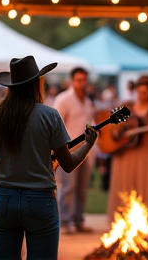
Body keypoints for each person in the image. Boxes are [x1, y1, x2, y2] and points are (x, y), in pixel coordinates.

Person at [0, 55, 98, 260]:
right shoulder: (49, 115)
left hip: (5, 200)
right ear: (36, 83)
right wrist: (88, 144)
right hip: (41, 200)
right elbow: (67, 164)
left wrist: (5, 169)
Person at [107, 75, 148, 230]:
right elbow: (113, 128)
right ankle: (123, 223)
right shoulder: (127, 105)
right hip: (125, 154)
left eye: (145, 93)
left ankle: (147, 224)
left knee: (147, 187)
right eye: (139, 92)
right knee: (124, 188)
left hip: (146, 153)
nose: (142, 96)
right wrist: (120, 133)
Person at [53, 67, 95, 233]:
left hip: (86, 150)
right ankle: (65, 221)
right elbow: (56, 126)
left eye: (84, 80)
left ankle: (78, 220)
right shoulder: (62, 100)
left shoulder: (88, 101)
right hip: (68, 150)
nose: (81, 83)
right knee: (68, 187)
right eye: (78, 80)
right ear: (71, 81)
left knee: (82, 188)